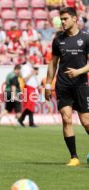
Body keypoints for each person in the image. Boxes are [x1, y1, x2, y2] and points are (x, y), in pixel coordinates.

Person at [45, 7, 89, 166]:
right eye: (61, 19)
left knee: (86, 122)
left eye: (65, 19)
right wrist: (48, 85)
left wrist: (79, 72)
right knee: (66, 118)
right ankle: (74, 157)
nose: (62, 22)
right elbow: (53, 63)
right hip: (63, 85)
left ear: (74, 19)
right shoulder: (58, 39)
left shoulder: (86, 38)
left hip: (81, 85)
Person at [18, 57, 40, 127]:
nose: (34, 62)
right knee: (29, 105)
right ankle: (25, 120)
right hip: (29, 88)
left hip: (33, 88)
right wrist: (32, 73)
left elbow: (34, 77)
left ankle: (28, 121)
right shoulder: (25, 68)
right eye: (33, 60)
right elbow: (24, 79)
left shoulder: (30, 67)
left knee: (31, 106)